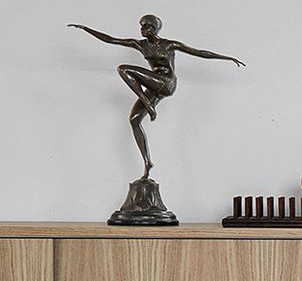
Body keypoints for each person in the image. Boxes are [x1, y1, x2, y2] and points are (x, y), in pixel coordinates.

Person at [70, 15, 244, 177]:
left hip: (166, 82)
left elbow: (200, 52)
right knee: (134, 120)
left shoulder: (169, 45)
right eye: (141, 26)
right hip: (153, 85)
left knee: (124, 69)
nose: (142, 29)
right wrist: (86, 28)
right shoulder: (140, 44)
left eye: (146, 26)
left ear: (155, 28)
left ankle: (147, 104)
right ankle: (147, 163)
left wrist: (227, 58)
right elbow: (110, 39)